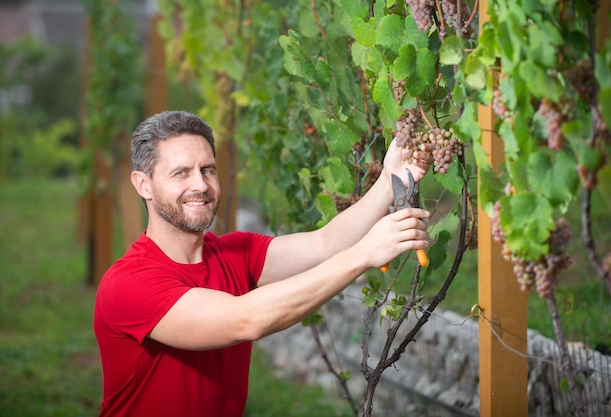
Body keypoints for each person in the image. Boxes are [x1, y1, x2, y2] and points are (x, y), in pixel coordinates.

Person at [93, 110, 432, 417]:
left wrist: (389, 180)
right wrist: (363, 254)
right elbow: (245, 320)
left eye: (207, 170)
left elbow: (325, 243)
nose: (200, 185)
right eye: (180, 173)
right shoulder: (129, 282)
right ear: (144, 185)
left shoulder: (235, 252)